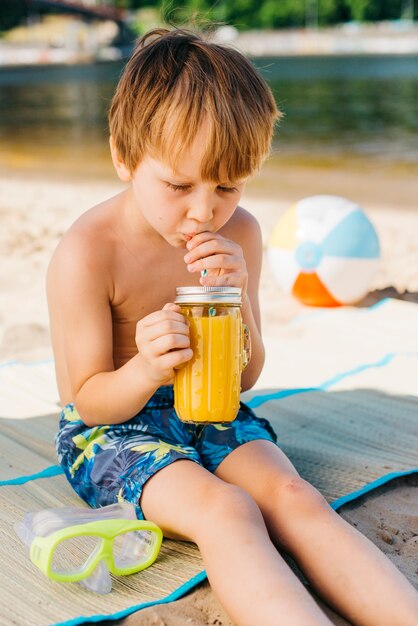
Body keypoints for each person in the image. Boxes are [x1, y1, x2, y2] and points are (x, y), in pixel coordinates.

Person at [47, 27, 418, 626]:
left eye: (228, 185)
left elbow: (245, 377)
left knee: (295, 497)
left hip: (212, 406)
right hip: (114, 428)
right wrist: (145, 368)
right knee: (227, 512)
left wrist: (237, 293)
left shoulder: (239, 234)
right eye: (178, 185)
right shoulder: (88, 252)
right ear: (123, 157)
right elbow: (85, 403)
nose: (205, 210)